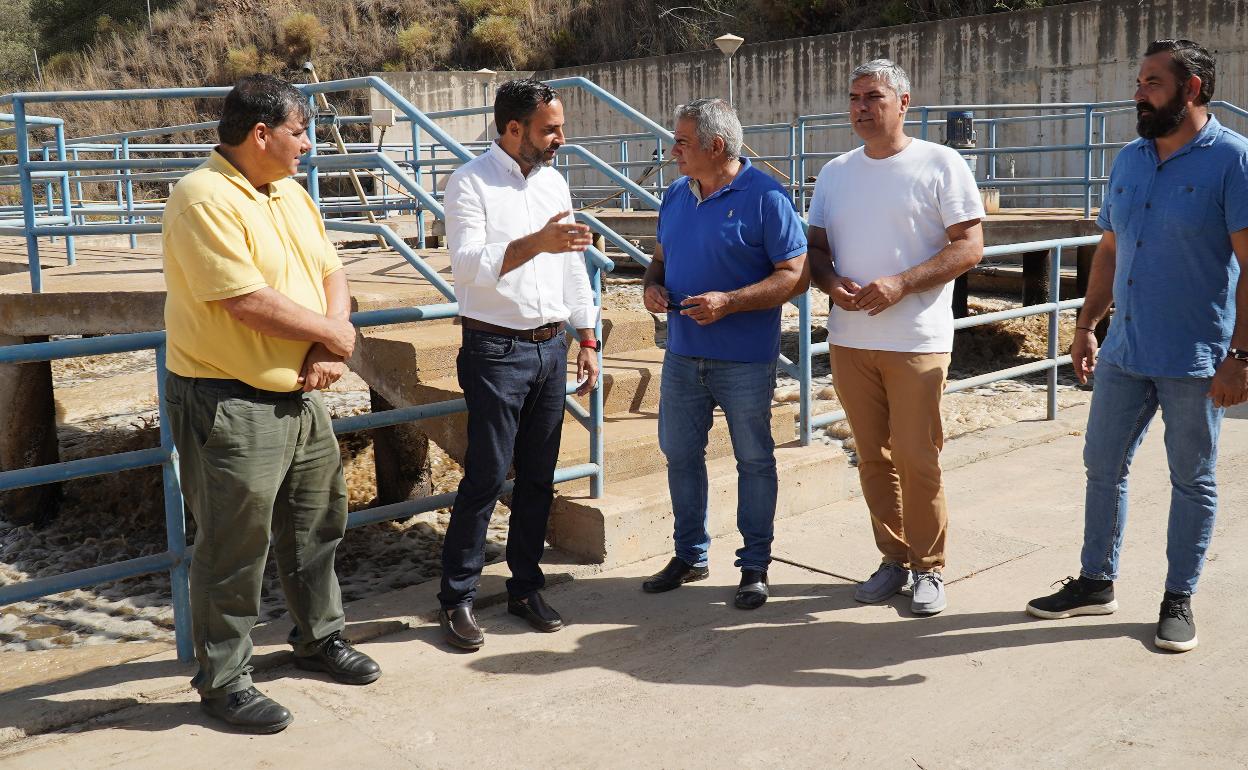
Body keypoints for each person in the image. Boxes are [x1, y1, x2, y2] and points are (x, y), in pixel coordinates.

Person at [162, 74, 380, 735]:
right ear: (261, 134)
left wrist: (330, 343)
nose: (308, 145)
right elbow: (243, 299)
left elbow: (329, 271)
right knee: (234, 544)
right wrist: (332, 334)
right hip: (230, 398)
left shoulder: (286, 191)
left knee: (318, 523)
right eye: (300, 131)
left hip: (302, 391)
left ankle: (318, 636)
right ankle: (224, 680)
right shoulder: (202, 197)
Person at [1026, 40, 1248, 652]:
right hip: (1124, 350)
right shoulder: (1128, 160)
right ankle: (1096, 581)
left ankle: (1179, 596)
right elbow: (1110, 249)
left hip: (1197, 358)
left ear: (1192, 90)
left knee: (1192, 479)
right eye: (1139, 82)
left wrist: (1241, 356)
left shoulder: (1233, 161)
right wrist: (1085, 325)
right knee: (1102, 467)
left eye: (1151, 83)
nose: (1138, 94)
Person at [807, 59, 984, 616]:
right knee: (871, 456)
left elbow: (969, 247)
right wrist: (833, 284)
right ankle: (893, 558)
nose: (862, 107)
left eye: (874, 97)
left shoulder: (940, 163)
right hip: (850, 337)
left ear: (903, 103)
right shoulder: (836, 172)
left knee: (916, 455)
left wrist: (900, 284)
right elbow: (815, 250)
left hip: (917, 338)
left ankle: (930, 568)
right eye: (855, 97)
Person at [438, 78, 600, 649]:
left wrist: (588, 334)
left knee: (538, 477)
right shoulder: (469, 182)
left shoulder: (555, 180)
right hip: (495, 350)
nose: (561, 138)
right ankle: (456, 597)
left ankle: (524, 586)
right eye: (550, 129)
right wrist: (537, 243)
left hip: (552, 347)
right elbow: (465, 266)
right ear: (513, 129)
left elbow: (573, 265)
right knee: (486, 475)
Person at [640, 98, 808, 609]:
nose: (673, 152)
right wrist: (652, 285)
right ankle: (690, 554)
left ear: (716, 146)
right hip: (682, 355)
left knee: (754, 460)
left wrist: (729, 303)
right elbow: (661, 259)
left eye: (682, 142)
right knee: (680, 457)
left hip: (745, 359)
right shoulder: (674, 195)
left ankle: (755, 564)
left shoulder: (767, 197)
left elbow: (795, 276)